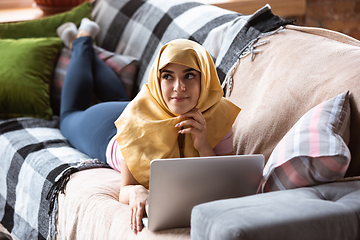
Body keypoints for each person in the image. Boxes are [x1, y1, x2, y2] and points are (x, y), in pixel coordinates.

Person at [57, 18, 240, 234]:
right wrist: (135, 191)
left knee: (123, 97)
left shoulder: (219, 116)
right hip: (109, 129)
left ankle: (80, 42)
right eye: (168, 76)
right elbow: (126, 187)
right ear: (158, 80)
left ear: (205, 78)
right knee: (68, 116)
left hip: (149, 108)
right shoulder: (133, 124)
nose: (178, 88)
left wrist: (204, 147)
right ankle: (82, 41)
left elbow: (223, 182)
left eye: (189, 75)